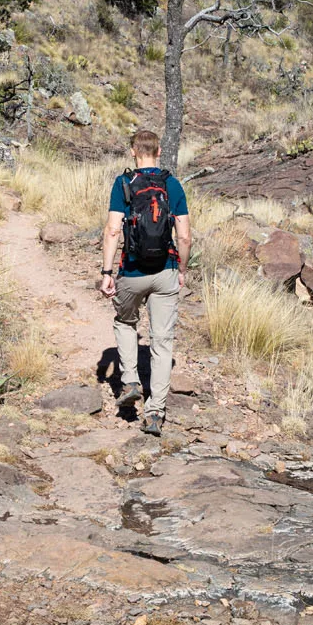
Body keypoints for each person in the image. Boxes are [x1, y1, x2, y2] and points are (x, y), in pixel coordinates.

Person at [98, 130, 191, 436]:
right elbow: (185, 235)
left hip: (133, 271)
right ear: (160, 151)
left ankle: (130, 381)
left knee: (125, 321)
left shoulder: (123, 184)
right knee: (162, 342)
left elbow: (113, 230)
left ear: (133, 152)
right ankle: (155, 413)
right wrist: (182, 268)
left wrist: (107, 272)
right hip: (165, 271)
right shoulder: (172, 184)